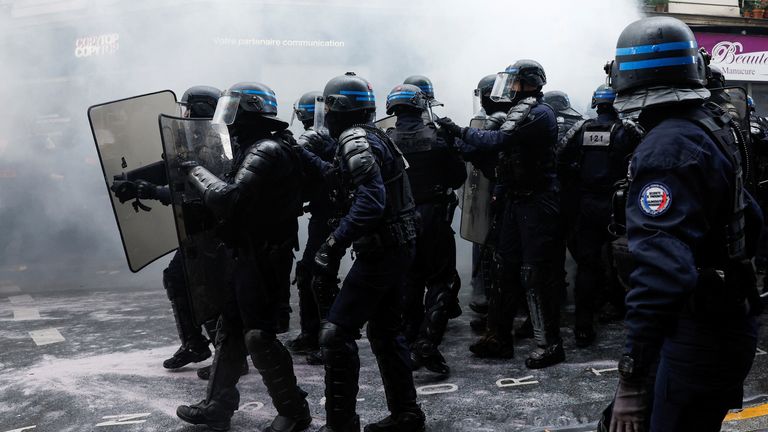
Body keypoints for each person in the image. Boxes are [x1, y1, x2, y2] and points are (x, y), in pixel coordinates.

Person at [604, 17, 763, 431]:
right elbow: (753, 220)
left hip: (701, 334)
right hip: (725, 323)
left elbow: (661, 275)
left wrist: (631, 379)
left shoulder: (668, 147)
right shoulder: (711, 124)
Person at [175, 82, 311, 432]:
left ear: (248, 111)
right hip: (248, 251)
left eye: (231, 110)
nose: (226, 119)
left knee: (258, 336)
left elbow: (229, 200)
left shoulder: (265, 149)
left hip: (264, 256)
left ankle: (294, 410)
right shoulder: (257, 146)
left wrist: (192, 169)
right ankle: (217, 407)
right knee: (230, 332)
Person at [299, 72, 424, 432]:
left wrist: (333, 244)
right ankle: (407, 415)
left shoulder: (354, 139)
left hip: (382, 252)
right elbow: (343, 179)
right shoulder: (370, 136)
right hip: (397, 246)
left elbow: (370, 203)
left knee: (336, 334)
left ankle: (341, 424)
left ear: (338, 109)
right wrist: (303, 155)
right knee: (386, 332)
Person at [437, 60, 565, 369]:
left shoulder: (536, 112)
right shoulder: (521, 111)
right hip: (517, 199)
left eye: (513, 82)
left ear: (527, 83)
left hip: (537, 201)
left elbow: (496, 141)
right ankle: (498, 338)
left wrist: (456, 128)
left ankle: (549, 344)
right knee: (504, 268)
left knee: (533, 274)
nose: (507, 88)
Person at [110, 86, 244, 376]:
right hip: (197, 232)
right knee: (180, 279)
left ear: (198, 110)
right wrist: (130, 179)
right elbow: (171, 167)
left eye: (188, 108)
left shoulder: (215, 145)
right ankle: (195, 344)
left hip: (215, 231)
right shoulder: (195, 138)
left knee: (211, 289)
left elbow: (197, 194)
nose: (183, 114)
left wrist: (152, 191)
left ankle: (229, 355)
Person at [385, 84, 466, 375]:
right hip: (433, 215)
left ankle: (409, 342)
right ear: (420, 107)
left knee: (409, 279)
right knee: (443, 280)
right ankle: (427, 344)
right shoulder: (439, 137)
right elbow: (457, 178)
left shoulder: (386, 140)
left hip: (401, 218)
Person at [556, 84, 633, 347]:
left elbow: (561, 160)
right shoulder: (626, 130)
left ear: (595, 103)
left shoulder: (582, 129)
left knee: (587, 265)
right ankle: (623, 311)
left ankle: (583, 325)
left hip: (588, 203)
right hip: (619, 204)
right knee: (624, 260)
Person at [285, 90, 340, 367]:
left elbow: (329, 175)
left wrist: (297, 152)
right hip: (324, 214)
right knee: (309, 272)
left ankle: (330, 340)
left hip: (332, 216)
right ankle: (311, 333)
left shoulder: (320, 139)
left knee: (320, 276)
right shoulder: (327, 137)